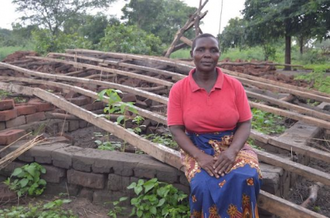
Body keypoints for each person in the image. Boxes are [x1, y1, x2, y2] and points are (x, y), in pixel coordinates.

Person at [167, 33, 262, 218]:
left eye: (213, 50)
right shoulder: (179, 89)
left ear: (219, 54)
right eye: (201, 49)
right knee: (203, 185)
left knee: (247, 177)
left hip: (231, 144)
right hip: (197, 146)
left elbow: (245, 122)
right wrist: (199, 156)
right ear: (191, 53)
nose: (207, 54)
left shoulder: (234, 86)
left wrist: (232, 151)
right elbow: (176, 129)